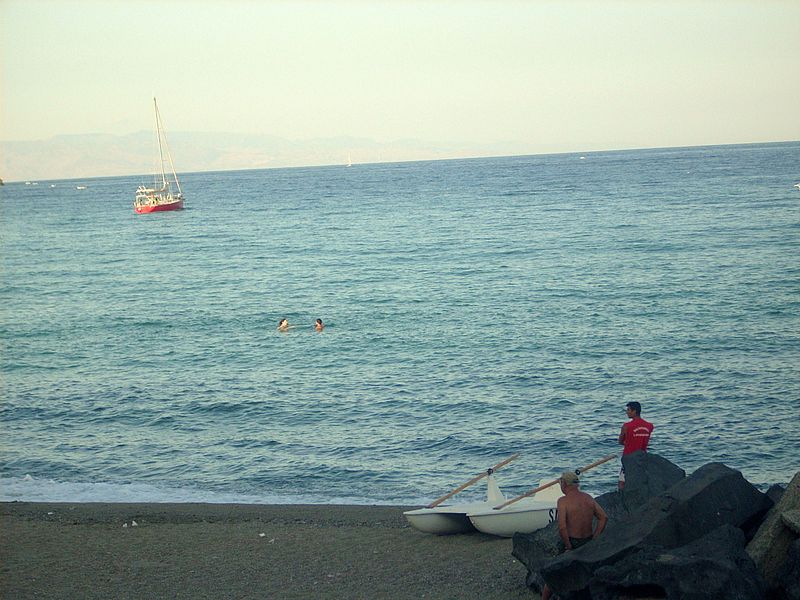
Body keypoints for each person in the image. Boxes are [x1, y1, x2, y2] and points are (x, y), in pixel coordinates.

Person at [541, 471, 608, 600]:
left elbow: (562, 527)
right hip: (588, 541)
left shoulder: (563, 501)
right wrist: (595, 538)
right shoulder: (588, 497)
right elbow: (603, 518)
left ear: (565, 484)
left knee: (553, 573)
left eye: (561, 482)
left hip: (573, 542)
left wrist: (568, 546)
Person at [618, 401, 654, 489]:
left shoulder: (626, 426)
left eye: (628, 410)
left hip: (628, 457)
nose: (627, 412)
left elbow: (620, 441)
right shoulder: (649, 426)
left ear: (634, 411)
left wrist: (627, 442)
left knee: (622, 482)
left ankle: (622, 499)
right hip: (642, 457)